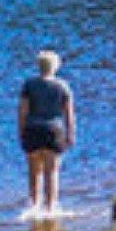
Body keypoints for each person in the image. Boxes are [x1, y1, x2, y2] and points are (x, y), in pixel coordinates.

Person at [17, 48, 76, 214]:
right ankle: (51, 206)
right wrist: (71, 134)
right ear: (55, 66)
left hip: (33, 128)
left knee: (34, 171)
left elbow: (22, 110)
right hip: (54, 129)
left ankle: (34, 204)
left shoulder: (29, 85)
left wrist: (21, 131)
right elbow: (69, 113)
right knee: (52, 171)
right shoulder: (63, 86)